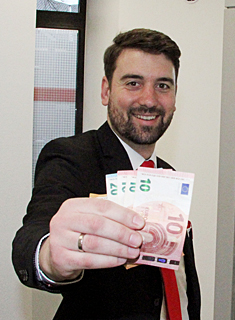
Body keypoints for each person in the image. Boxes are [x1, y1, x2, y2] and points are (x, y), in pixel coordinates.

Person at [12, 28, 201, 320]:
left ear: (175, 97)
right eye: (133, 83)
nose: (149, 100)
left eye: (163, 85)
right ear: (106, 90)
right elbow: (32, 237)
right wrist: (50, 256)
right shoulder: (70, 157)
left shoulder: (168, 175)